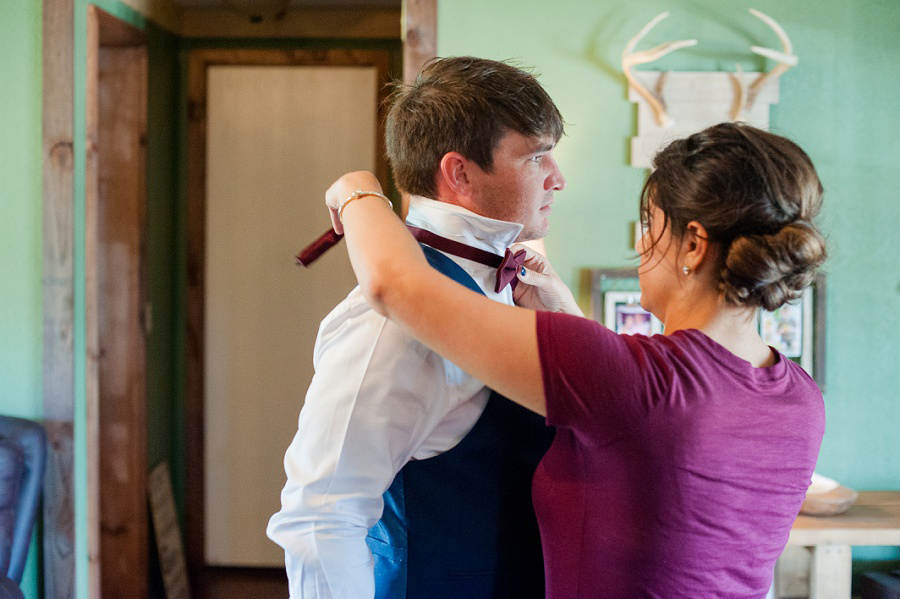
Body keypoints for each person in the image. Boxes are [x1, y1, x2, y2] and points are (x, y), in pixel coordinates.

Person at [322, 122, 827, 599]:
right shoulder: (802, 397)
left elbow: (397, 286)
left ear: (693, 245)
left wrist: (358, 192)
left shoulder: (632, 381)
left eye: (649, 224)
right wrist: (571, 322)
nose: (641, 242)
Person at [267, 56, 566, 598]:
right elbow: (320, 520)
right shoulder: (390, 326)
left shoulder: (517, 285)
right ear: (459, 173)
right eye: (538, 157)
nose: (558, 179)